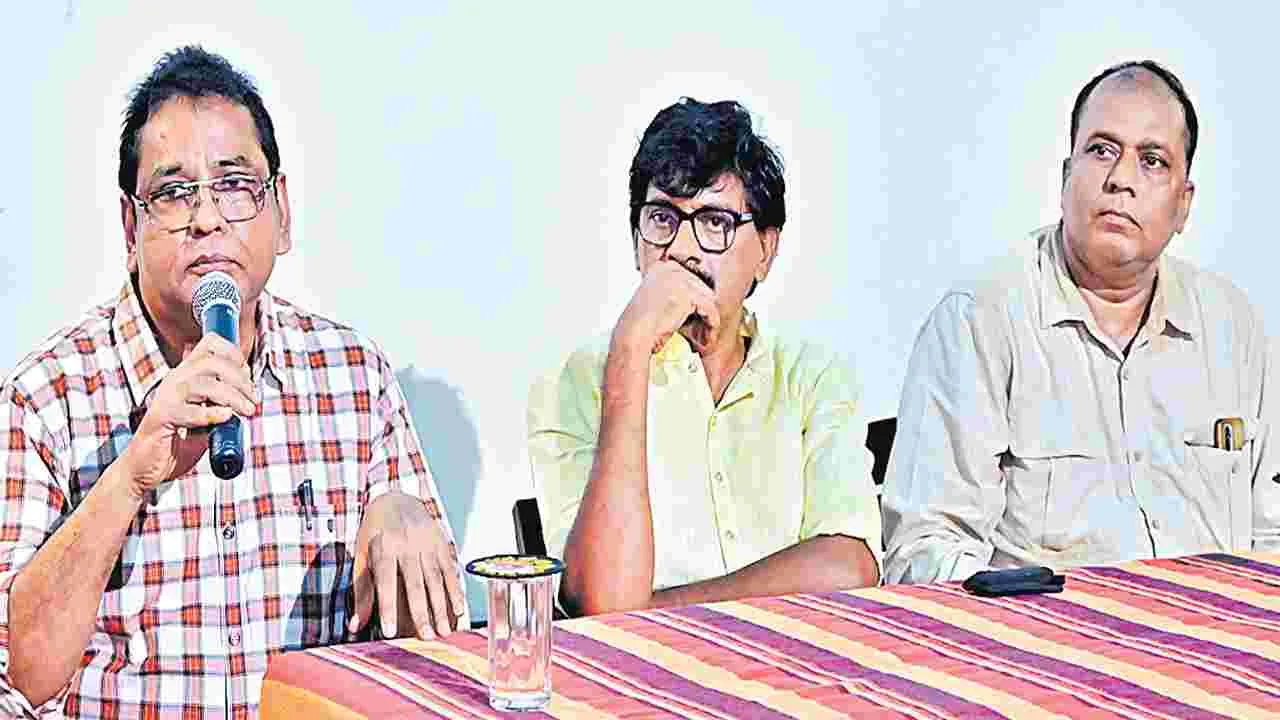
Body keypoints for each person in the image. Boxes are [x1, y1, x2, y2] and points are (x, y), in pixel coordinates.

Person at [0, 46, 465, 718]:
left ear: (282, 212)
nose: (207, 219)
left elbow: (426, 659)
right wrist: (129, 476)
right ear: (131, 228)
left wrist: (400, 511)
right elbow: (21, 678)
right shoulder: (45, 398)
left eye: (235, 185)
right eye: (173, 193)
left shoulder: (353, 375)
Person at [882, 60, 1280, 584]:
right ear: (1067, 177)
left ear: (1183, 205)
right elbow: (925, 549)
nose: (1121, 180)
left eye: (1152, 161)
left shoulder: (1233, 328)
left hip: (1215, 627)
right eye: (1102, 150)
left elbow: (1272, 535)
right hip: (1046, 631)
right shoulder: (981, 319)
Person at [528, 98, 881, 617]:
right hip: (644, 664)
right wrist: (630, 352)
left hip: (795, 655)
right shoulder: (575, 381)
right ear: (636, 238)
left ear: (765, 251)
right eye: (662, 218)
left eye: (715, 222)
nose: (682, 249)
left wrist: (663, 610)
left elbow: (850, 568)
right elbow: (604, 606)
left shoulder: (812, 376)